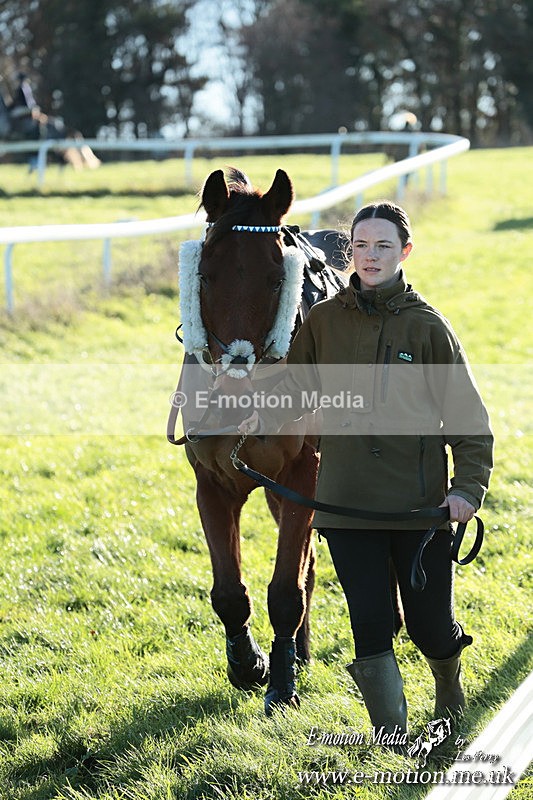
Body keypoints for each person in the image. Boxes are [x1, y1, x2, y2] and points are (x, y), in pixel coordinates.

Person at [239, 200, 494, 737]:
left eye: (382, 246)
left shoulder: (429, 329)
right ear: (348, 251)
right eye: (360, 246)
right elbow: (297, 389)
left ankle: (448, 688)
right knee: (370, 629)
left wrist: (467, 488)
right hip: (345, 507)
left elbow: (467, 419)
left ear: (405, 251)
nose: (370, 256)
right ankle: (393, 739)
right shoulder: (325, 322)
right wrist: (244, 396)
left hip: (419, 508)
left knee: (429, 627)